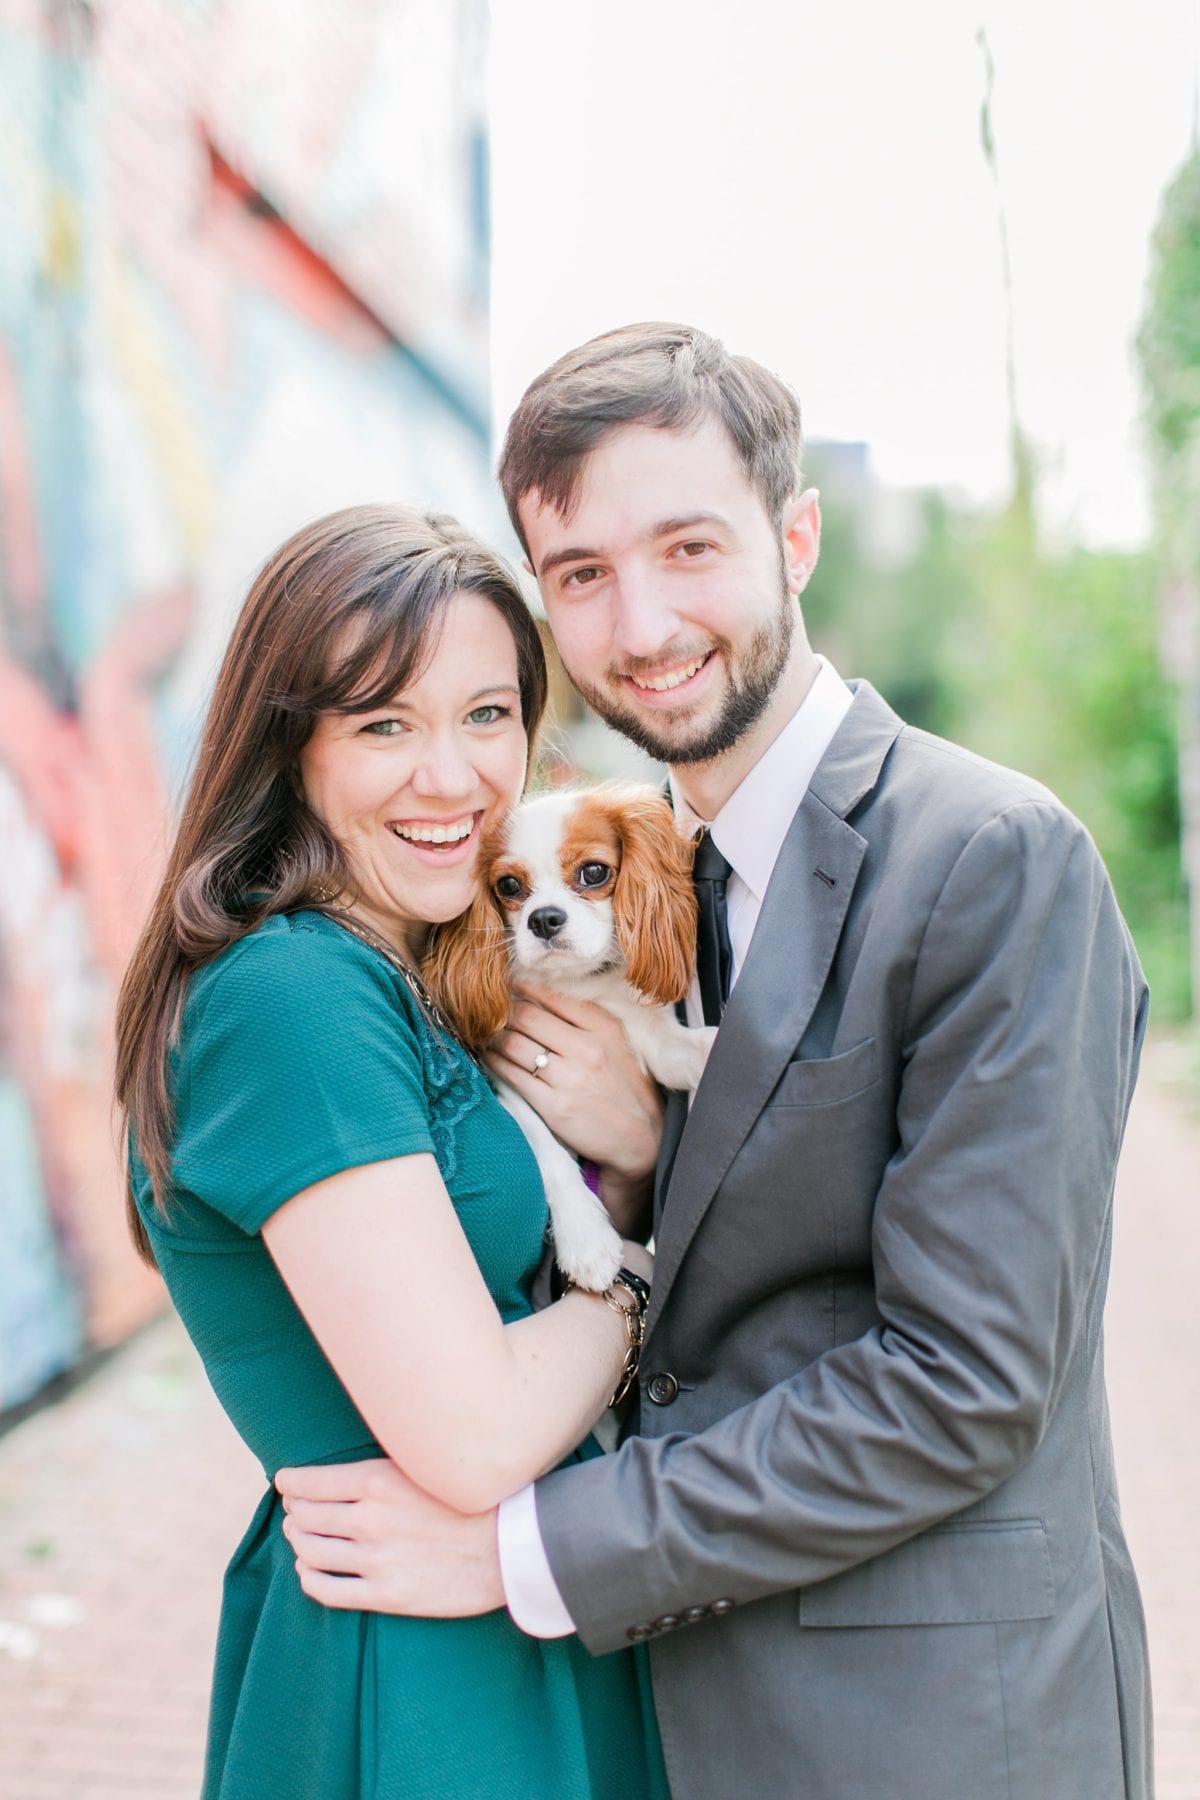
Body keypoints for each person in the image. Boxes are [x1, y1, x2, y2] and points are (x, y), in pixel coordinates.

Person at [277, 326, 1153, 1800]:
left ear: (796, 535)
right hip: (662, 1717)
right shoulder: (626, 884)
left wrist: (526, 1550)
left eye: (689, 548)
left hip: (927, 1729)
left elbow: (965, 1379)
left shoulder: (990, 862)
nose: (644, 624)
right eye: (583, 578)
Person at [113, 504, 669, 1800]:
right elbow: (474, 1435)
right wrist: (639, 1278)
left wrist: (632, 1163)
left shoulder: (415, 963)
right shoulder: (294, 998)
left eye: (487, 716)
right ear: (289, 747)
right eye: (384, 726)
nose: (454, 777)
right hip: (416, 1665)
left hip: (509, 1609)